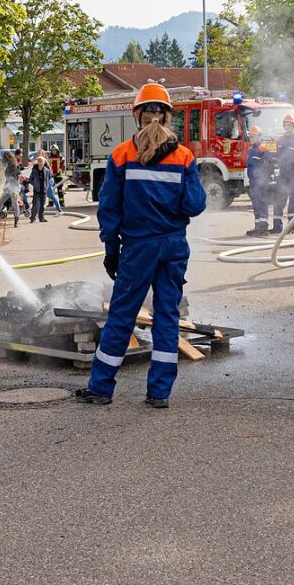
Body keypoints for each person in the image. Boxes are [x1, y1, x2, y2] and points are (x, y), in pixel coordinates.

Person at [76, 82, 207, 407]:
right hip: (173, 248)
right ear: (167, 116)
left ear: (137, 115)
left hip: (137, 250)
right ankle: (159, 393)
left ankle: (100, 388)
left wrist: (111, 248)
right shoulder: (184, 156)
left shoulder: (122, 155)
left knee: (122, 315)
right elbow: (194, 205)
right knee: (166, 317)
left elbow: (109, 209)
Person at [272, 114, 294, 233]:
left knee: (293, 202)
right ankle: (277, 226)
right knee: (279, 200)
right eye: (285, 125)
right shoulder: (280, 140)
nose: (287, 127)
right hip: (283, 175)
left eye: (289, 125)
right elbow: (278, 157)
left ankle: (291, 227)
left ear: (293, 126)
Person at [244, 125, 273, 236]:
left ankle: (263, 227)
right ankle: (258, 227)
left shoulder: (263, 149)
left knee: (262, 203)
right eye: (250, 136)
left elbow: (269, 166)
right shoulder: (251, 150)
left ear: (259, 137)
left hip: (261, 182)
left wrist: (264, 179)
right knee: (256, 204)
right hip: (253, 182)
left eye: (254, 136)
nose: (252, 138)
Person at [0, 151, 21, 225]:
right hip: (8, 187)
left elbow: (15, 177)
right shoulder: (11, 164)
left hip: (12, 187)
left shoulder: (12, 165)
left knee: (12, 203)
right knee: (2, 202)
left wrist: (15, 190)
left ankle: (16, 221)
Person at [28, 155, 52, 223]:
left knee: (42, 205)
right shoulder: (34, 170)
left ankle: (41, 218)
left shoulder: (47, 171)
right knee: (35, 204)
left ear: (44, 162)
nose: (40, 163)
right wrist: (35, 184)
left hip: (44, 190)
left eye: (42, 161)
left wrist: (47, 186)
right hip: (37, 190)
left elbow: (49, 178)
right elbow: (30, 179)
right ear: (37, 162)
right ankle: (33, 218)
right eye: (39, 161)